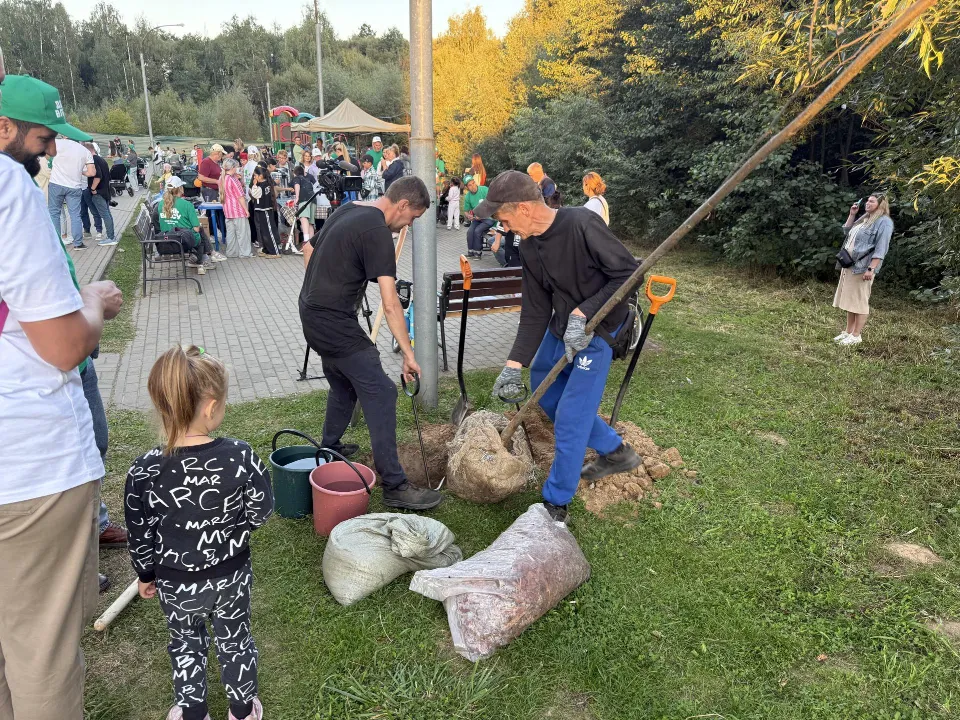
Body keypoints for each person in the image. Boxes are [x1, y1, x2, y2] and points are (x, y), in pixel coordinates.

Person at [0, 73, 124, 719]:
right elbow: (63, 346)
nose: (48, 154)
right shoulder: (7, 185)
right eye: (43, 139)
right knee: (40, 651)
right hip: (23, 466)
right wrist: (95, 305)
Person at [478, 171, 641, 525]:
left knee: (570, 417)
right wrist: (512, 364)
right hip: (560, 329)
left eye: (503, 219)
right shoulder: (531, 247)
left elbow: (629, 274)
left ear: (523, 208)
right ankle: (616, 451)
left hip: (597, 333)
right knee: (545, 391)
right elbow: (536, 308)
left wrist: (585, 313)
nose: (503, 227)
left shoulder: (582, 224)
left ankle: (556, 504)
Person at [125, 345, 273, 720]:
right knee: (235, 640)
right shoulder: (240, 456)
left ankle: (193, 712)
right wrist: (236, 530)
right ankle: (242, 711)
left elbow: (139, 531)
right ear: (210, 407)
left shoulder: (143, 469)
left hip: (175, 583)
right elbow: (262, 508)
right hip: (232, 575)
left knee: (185, 641)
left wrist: (145, 573)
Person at [299, 177, 443, 511]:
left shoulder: (350, 209)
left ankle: (329, 447)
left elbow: (308, 249)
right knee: (382, 392)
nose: (409, 224)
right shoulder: (377, 231)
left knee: (343, 379)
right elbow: (391, 304)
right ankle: (395, 486)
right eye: (413, 217)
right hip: (333, 322)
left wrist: (325, 291)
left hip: (310, 312)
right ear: (403, 205)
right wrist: (409, 354)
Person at [833, 193, 893, 346]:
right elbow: (847, 232)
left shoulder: (884, 222)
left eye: (872, 201)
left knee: (859, 300)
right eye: (867, 200)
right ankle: (848, 332)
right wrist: (852, 214)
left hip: (863, 267)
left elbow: (881, 248)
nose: (867, 203)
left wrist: (871, 268)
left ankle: (856, 335)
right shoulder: (865, 218)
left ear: (881, 204)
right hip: (849, 264)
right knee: (850, 300)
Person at [157, 176, 215, 273]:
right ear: (180, 188)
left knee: (197, 231)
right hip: (182, 242)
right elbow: (196, 228)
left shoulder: (161, 204)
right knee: (199, 232)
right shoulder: (187, 204)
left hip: (167, 239)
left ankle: (207, 255)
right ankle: (201, 259)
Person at [48, 136, 95, 249]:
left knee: (54, 213)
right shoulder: (85, 151)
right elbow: (92, 172)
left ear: (65, 136)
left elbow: (44, 153)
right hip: (74, 186)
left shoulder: (57, 143)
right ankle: (78, 243)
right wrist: (80, 171)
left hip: (56, 183)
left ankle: (56, 243)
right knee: (75, 215)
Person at [83, 141, 117, 246]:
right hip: (105, 191)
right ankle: (111, 236)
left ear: (87, 151)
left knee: (105, 215)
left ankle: (111, 238)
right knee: (107, 214)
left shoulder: (93, 160)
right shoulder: (102, 159)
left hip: (98, 192)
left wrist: (93, 189)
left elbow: (98, 176)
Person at [222, 158, 253, 259]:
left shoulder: (222, 179)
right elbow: (240, 197)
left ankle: (231, 252)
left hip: (227, 210)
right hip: (237, 210)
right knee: (243, 233)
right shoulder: (233, 180)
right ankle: (245, 253)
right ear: (233, 167)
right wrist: (246, 210)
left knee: (231, 234)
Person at [250, 163, 281, 258]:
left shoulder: (263, 185)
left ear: (260, 176)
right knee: (264, 231)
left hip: (265, 210)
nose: (254, 177)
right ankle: (267, 249)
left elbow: (255, 195)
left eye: (255, 175)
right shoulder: (266, 183)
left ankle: (275, 252)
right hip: (261, 209)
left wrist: (254, 186)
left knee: (269, 231)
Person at [198, 143, 226, 238]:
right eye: (221, 154)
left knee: (216, 211)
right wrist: (216, 181)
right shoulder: (206, 162)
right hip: (209, 191)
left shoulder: (215, 163)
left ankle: (216, 231)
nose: (221, 156)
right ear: (217, 153)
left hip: (215, 190)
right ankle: (211, 233)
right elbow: (201, 177)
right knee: (211, 212)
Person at [463, 175, 493, 258]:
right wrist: (469, 216)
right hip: (477, 219)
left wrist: (482, 215)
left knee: (477, 230)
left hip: (489, 218)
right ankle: (471, 252)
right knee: (470, 232)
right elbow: (465, 211)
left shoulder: (484, 190)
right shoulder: (468, 196)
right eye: (470, 185)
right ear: (466, 187)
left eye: (473, 183)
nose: (473, 186)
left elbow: (492, 205)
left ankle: (478, 253)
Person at [292, 164, 317, 247]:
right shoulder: (307, 179)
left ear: (295, 173)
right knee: (310, 223)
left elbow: (297, 186)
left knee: (303, 218)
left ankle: (306, 241)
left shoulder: (297, 178)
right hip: (313, 199)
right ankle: (311, 244)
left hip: (304, 198)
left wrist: (297, 198)